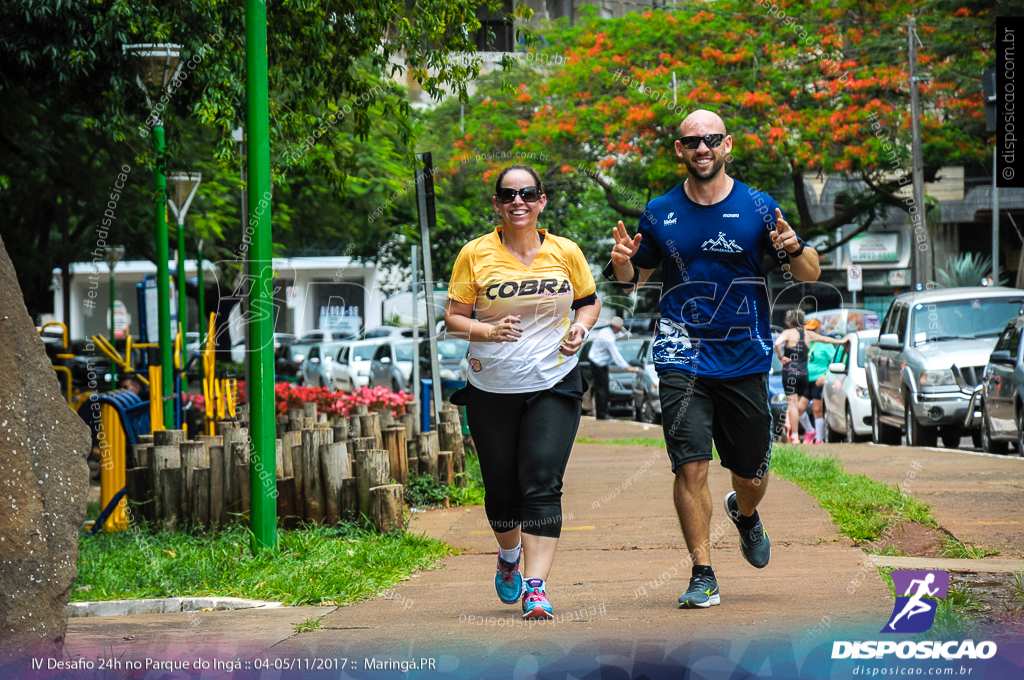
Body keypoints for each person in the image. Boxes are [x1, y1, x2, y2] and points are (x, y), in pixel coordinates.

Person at [607, 109, 822, 609]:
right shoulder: (660, 212)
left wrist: (795, 247)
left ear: (726, 146)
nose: (702, 148)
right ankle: (702, 572)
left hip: (745, 356)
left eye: (711, 140)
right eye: (691, 142)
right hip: (681, 353)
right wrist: (622, 266)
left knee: (749, 473)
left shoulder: (760, 207)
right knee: (691, 467)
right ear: (680, 151)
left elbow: (809, 272)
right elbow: (633, 281)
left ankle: (745, 514)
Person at [445, 164, 601, 620]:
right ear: (497, 203)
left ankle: (536, 586)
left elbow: (588, 302)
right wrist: (486, 330)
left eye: (528, 194)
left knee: (542, 481)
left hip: (554, 381)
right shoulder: (474, 254)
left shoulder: (565, 251)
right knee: (501, 495)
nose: (519, 202)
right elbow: (454, 318)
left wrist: (579, 328)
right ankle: (509, 555)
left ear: (542, 201)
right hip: (491, 387)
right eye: (509, 195)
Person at [774, 310, 846, 444]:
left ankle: (796, 435)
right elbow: (826, 338)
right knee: (798, 406)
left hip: (793, 373)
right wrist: (842, 341)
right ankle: (804, 429)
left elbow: (777, 343)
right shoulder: (808, 335)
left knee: (796, 405)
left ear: (789, 321)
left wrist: (781, 357)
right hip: (804, 375)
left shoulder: (788, 333)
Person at [588, 316, 640, 420]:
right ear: (616, 328)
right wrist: (627, 367)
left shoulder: (605, 331)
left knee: (601, 388)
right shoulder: (608, 338)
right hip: (598, 363)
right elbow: (615, 355)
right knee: (602, 389)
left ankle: (601, 413)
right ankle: (602, 414)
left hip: (598, 361)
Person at [803, 319, 840, 444]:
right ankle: (810, 430)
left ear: (818, 330)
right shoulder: (805, 343)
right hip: (806, 379)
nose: (810, 332)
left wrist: (825, 375)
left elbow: (835, 361)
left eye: (813, 330)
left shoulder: (824, 344)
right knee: (799, 408)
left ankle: (819, 439)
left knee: (817, 410)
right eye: (807, 330)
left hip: (818, 380)